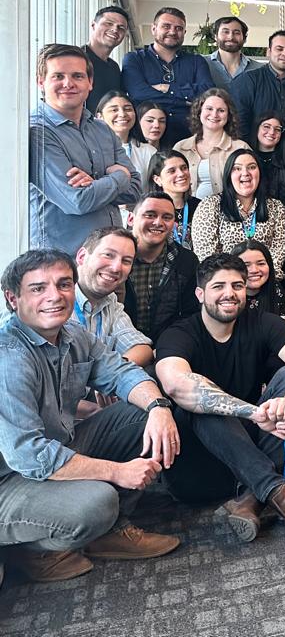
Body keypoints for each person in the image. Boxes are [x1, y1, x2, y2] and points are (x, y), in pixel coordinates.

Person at [0, 248, 180, 583]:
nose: (55, 296)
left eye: (63, 284)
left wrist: (159, 408)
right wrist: (117, 472)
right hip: (9, 477)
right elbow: (30, 455)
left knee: (139, 416)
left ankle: (107, 532)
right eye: (38, 288)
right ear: (14, 298)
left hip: (59, 445)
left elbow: (123, 373)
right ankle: (34, 551)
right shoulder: (8, 357)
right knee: (97, 502)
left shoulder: (72, 334)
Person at [154, 254, 285, 540]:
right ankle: (278, 493)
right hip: (199, 466)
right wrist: (253, 413)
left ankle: (250, 498)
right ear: (200, 294)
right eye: (219, 287)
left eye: (237, 286)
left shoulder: (263, 322)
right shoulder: (179, 333)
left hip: (250, 452)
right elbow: (177, 385)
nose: (229, 293)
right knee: (201, 400)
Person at [30, 44, 142, 253]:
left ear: (90, 82)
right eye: (58, 76)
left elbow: (135, 189)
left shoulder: (102, 129)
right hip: (60, 263)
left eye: (77, 76)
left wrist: (96, 184)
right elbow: (77, 201)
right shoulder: (38, 132)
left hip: (109, 259)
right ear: (41, 82)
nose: (68, 83)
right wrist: (119, 176)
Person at [121, 7, 214, 145]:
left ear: (184, 32)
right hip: (145, 139)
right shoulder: (134, 59)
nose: (172, 31)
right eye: (166, 26)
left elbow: (208, 94)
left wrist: (166, 88)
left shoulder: (196, 61)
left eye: (178, 28)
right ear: (154, 29)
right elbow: (138, 93)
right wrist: (184, 101)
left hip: (189, 138)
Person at [190, 148, 285, 277]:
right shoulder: (210, 205)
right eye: (237, 168)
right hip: (225, 283)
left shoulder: (276, 207)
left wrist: (261, 278)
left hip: (265, 281)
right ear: (228, 175)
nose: (245, 173)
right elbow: (207, 257)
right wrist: (236, 281)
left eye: (252, 167)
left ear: (260, 173)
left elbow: (278, 251)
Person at [123, 191, 201, 339]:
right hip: (118, 344)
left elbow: (190, 315)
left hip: (170, 344)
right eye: (150, 215)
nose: (158, 222)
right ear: (131, 219)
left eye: (166, 217)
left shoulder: (187, 260)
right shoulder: (114, 258)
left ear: (173, 224)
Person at [72, 228, 151, 365]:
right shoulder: (53, 300)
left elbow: (142, 349)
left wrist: (111, 371)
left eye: (126, 261)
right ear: (82, 257)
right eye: (108, 255)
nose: (116, 268)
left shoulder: (110, 302)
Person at [229, 29, 285, 137]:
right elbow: (238, 124)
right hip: (254, 151)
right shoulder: (247, 81)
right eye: (279, 49)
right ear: (269, 51)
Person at [173, 88, 246, 202]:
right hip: (187, 214)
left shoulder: (241, 148)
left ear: (229, 115)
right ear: (199, 111)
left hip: (228, 214)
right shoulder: (181, 147)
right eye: (209, 109)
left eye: (221, 110)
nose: (214, 114)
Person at [251, 112, 285, 212]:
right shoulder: (246, 159)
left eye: (278, 129)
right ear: (257, 128)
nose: (272, 132)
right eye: (266, 127)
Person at [147, 150, 200, 250]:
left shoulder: (200, 207)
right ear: (157, 180)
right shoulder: (149, 210)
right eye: (172, 171)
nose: (181, 174)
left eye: (184, 168)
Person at [84, 5, 129, 113]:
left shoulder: (114, 67)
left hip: (104, 128)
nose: (115, 29)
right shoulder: (77, 58)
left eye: (121, 28)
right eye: (108, 23)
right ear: (93, 25)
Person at [96, 92, 152, 180]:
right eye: (114, 110)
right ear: (99, 117)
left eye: (128, 109)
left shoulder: (148, 151)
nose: (122, 114)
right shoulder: (91, 150)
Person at [203, 15, 262, 92]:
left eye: (236, 33)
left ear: (244, 38)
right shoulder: (201, 63)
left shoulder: (259, 69)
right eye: (225, 32)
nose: (231, 37)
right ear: (216, 36)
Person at [236, 239, 285, 319]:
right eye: (246, 265)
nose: (254, 270)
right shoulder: (228, 296)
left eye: (261, 263)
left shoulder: (276, 288)